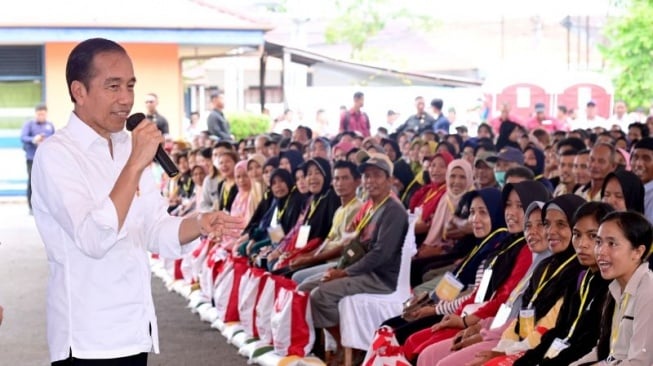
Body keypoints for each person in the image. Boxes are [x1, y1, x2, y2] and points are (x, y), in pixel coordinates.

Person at [30, 38, 239, 366]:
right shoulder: (56, 155)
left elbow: (154, 229)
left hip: (134, 327)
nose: (126, 99)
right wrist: (134, 165)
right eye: (112, 86)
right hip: (88, 338)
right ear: (79, 91)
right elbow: (93, 238)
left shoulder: (130, 148)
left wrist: (199, 223)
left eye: (130, 86)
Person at [299, 153, 409, 359]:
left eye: (377, 175)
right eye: (367, 176)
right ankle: (324, 345)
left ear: (390, 180)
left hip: (379, 277)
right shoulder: (371, 205)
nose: (370, 181)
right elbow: (355, 245)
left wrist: (344, 272)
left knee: (320, 296)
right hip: (358, 269)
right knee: (303, 288)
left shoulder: (393, 210)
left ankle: (347, 346)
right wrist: (340, 269)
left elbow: (380, 255)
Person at [572, 211, 653, 365]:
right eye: (599, 242)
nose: (600, 251)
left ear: (637, 252)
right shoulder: (615, 288)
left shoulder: (649, 291)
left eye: (612, 244)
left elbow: (640, 362)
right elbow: (607, 351)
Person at [20, 103, 55, 214]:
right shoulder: (29, 125)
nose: (41, 116)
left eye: (43, 114)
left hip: (46, 159)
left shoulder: (50, 125)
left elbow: (55, 138)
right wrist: (34, 139)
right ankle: (31, 207)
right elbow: (23, 137)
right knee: (32, 182)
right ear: (35, 114)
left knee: (46, 183)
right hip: (32, 158)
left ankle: (45, 207)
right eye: (39, 114)